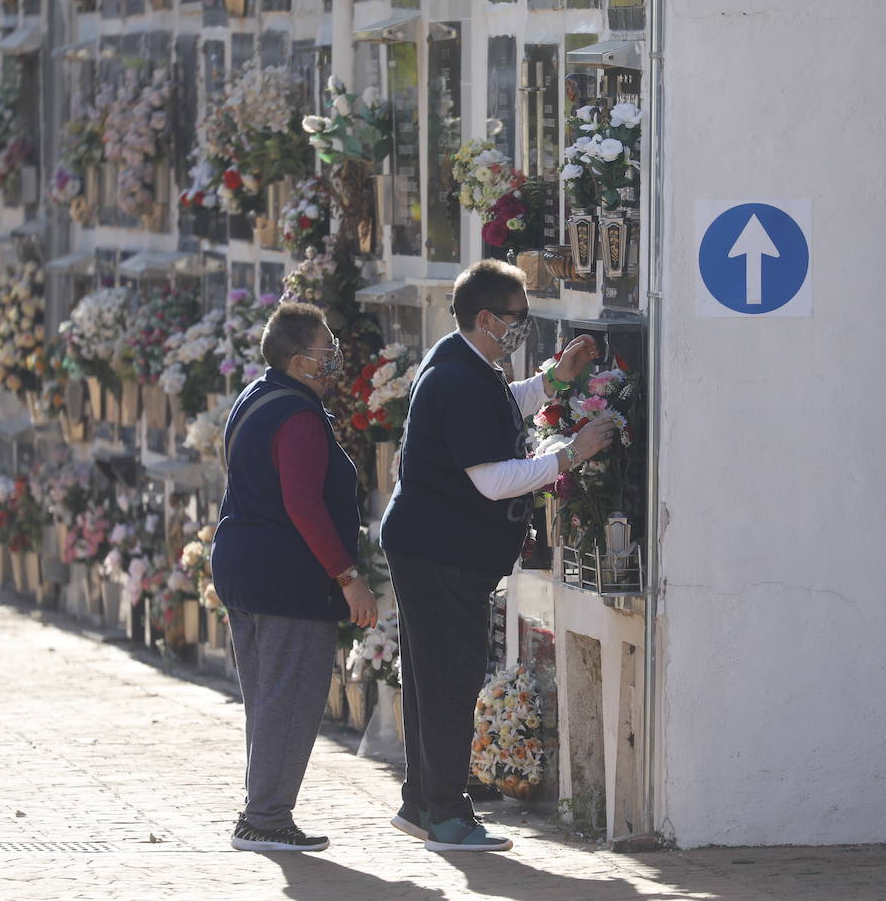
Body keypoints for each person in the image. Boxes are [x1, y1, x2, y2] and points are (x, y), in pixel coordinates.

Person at [380, 259, 615, 852]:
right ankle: (449, 817)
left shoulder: (464, 362)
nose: (522, 330)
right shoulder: (459, 378)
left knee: (434, 679)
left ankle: (420, 805)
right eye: (516, 320)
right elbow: (492, 478)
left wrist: (553, 383)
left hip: (433, 547)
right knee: (450, 683)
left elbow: (500, 403)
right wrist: (572, 453)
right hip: (439, 553)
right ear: (486, 318)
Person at [211, 302, 379, 852]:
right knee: (293, 696)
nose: (333, 360)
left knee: (267, 696)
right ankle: (264, 818)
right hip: (289, 577)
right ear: (300, 361)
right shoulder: (300, 417)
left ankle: (261, 811)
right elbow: (304, 504)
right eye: (326, 352)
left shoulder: (255, 397)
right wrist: (348, 576)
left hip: (245, 566)